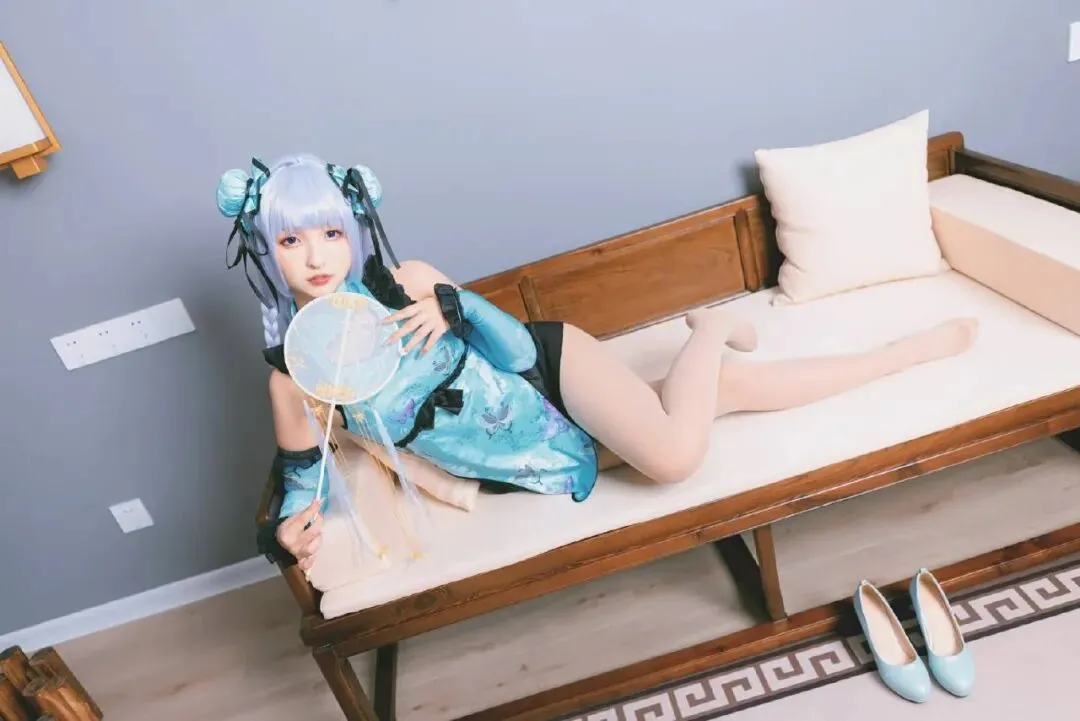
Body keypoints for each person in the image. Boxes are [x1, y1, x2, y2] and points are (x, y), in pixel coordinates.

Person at [219, 153, 978, 573]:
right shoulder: (295, 378)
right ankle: (900, 353)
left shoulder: (409, 281)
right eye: (291, 240)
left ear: (353, 229)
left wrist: (455, 307)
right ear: (266, 249)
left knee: (674, 457)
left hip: (550, 375)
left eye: (329, 233)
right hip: (527, 455)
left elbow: (517, 352)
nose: (316, 257)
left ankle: (710, 331)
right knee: (728, 394)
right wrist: (289, 531)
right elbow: (303, 476)